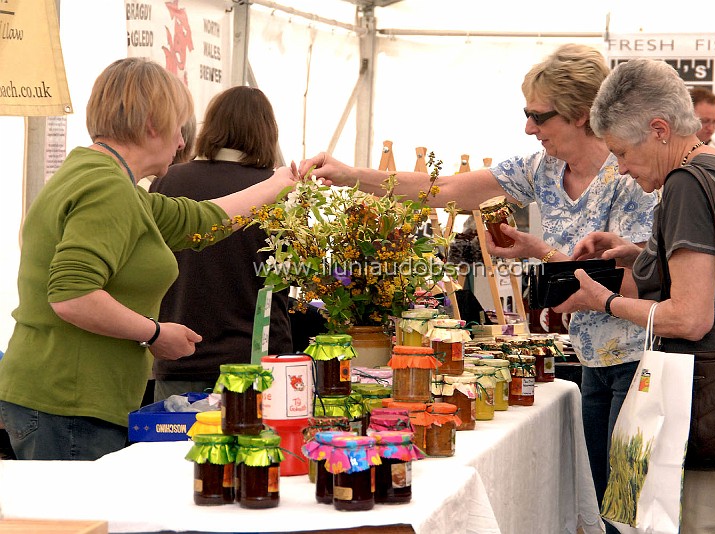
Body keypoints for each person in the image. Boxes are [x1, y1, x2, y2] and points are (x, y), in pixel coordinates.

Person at [300, 43, 658, 532]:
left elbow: (630, 282)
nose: (528, 128)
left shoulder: (632, 177)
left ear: (579, 115)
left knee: (626, 510)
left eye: (537, 115)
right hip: (592, 359)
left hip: (637, 361)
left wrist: (542, 253)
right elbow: (443, 190)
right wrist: (350, 176)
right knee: (599, 505)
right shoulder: (543, 169)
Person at [0, 58, 298, 461]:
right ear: (152, 126)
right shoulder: (107, 188)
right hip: (69, 401)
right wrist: (155, 334)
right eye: (178, 126)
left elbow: (200, 220)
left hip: (63, 399)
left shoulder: (101, 177)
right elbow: (72, 294)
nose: (182, 142)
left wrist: (277, 183)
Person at [553, 58, 715, 533]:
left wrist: (604, 301)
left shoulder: (685, 185)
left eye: (620, 151)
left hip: (714, 384)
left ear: (659, 129)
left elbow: (689, 317)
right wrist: (635, 254)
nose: (619, 168)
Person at [149, 86, 293, 401]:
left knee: (169, 451)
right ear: (268, 133)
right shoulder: (276, 191)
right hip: (256, 367)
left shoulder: (168, 181)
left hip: (179, 360)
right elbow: (285, 279)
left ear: (211, 127)